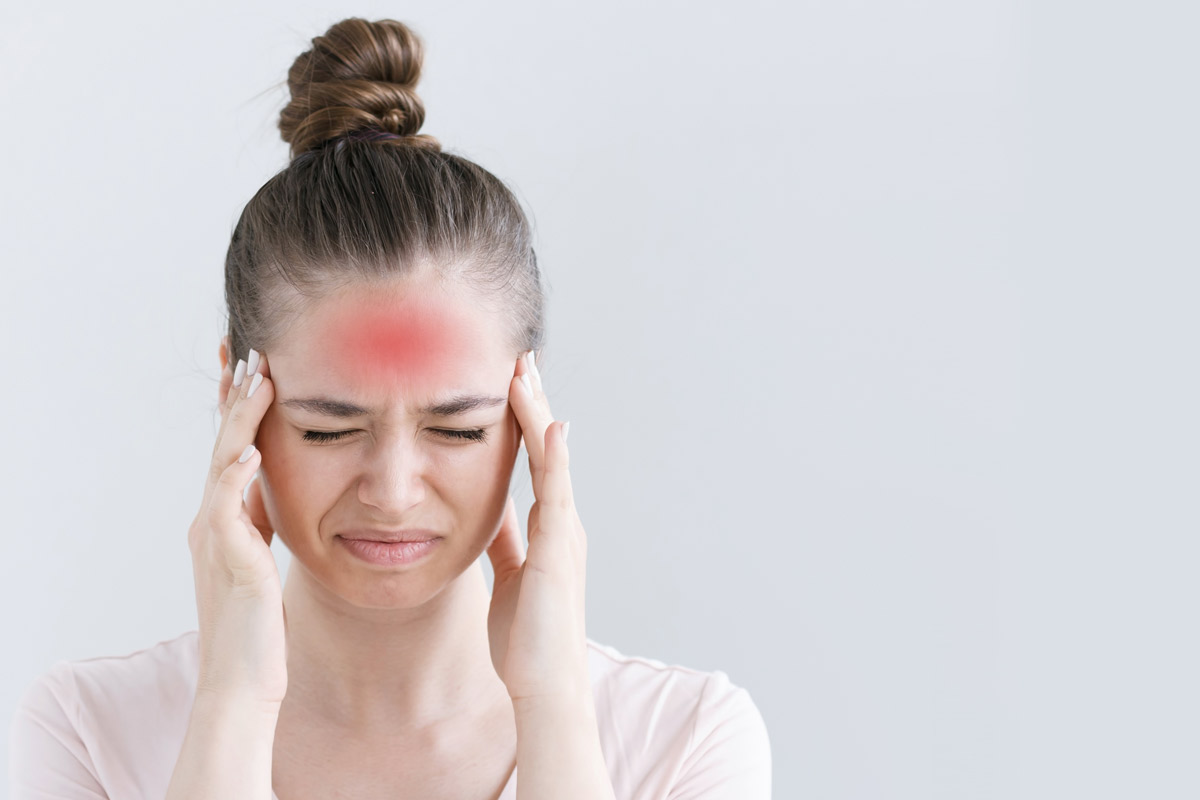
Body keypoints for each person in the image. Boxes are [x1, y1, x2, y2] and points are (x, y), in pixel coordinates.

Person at [9, 17, 771, 799]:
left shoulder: (687, 740)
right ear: (238, 398)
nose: (395, 491)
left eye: (457, 428)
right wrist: (234, 701)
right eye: (329, 429)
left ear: (526, 414)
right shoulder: (88, 731)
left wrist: (554, 705)